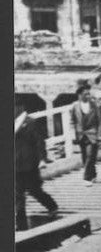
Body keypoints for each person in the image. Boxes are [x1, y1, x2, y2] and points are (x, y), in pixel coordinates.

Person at [15, 94, 58, 231]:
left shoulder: (31, 122)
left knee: (34, 190)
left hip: (30, 163)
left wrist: (41, 159)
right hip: (15, 164)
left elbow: (39, 143)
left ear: (20, 107)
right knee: (17, 194)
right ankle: (21, 224)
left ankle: (51, 205)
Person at [70, 81, 101, 186]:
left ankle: (87, 178)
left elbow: (100, 122)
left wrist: (100, 135)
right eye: (85, 94)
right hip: (80, 134)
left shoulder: (95, 105)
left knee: (90, 155)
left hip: (93, 134)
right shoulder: (75, 106)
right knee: (85, 156)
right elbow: (72, 121)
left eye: (89, 93)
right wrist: (73, 134)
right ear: (80, 95)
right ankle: (93, 174)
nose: (88, 96)